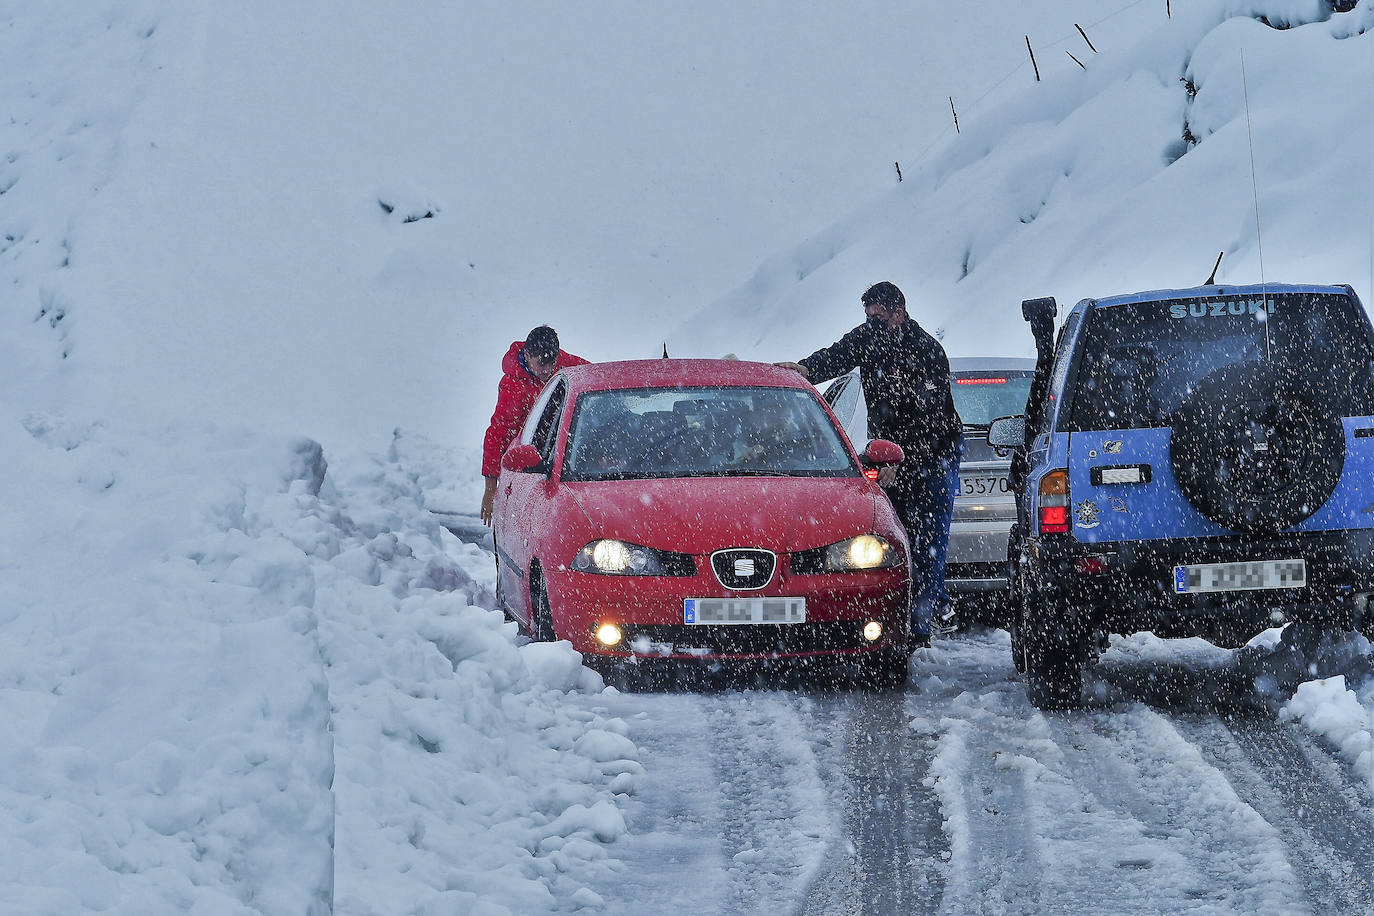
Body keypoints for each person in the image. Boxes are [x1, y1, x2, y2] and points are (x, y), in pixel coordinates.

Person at [776, 281, 962, 649]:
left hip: (934, 453)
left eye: (879, 318)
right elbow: (837, 355)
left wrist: (902, 456)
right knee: (895, 538)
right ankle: (908, 611)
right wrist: (804, 370)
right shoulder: (868, 338)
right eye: (868, 318)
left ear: (899, 313)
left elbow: (930, 419)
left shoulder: (927, 351)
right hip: (888, 452)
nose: (872, 324)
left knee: (928, 539)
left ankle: (921, 627)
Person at [480, 326, 588, 524]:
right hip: (536, 462)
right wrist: (490, 489)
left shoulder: (568, 367)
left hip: (570, 453)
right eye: (541, 364)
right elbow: (498, 433)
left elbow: (599, 380)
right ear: (527, 355)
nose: (547, 371)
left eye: (551, 363)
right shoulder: (512, 386)